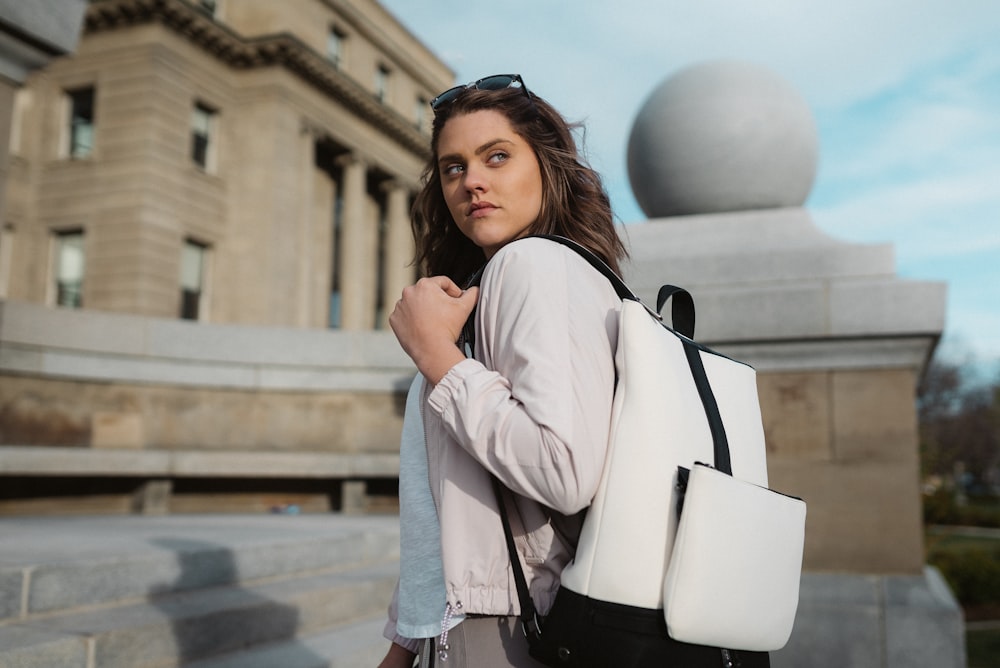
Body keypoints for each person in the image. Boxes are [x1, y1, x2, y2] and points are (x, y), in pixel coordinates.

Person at [378, 74, 627, 668]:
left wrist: (437, 356)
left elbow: (562, 469)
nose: (473, 182)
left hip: (510, 630)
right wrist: (403, 647)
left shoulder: (531, 264)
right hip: (466, 621)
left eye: (497, 156)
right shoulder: (502, 283)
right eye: (453, 167)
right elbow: (451, 513)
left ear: (545, 165)